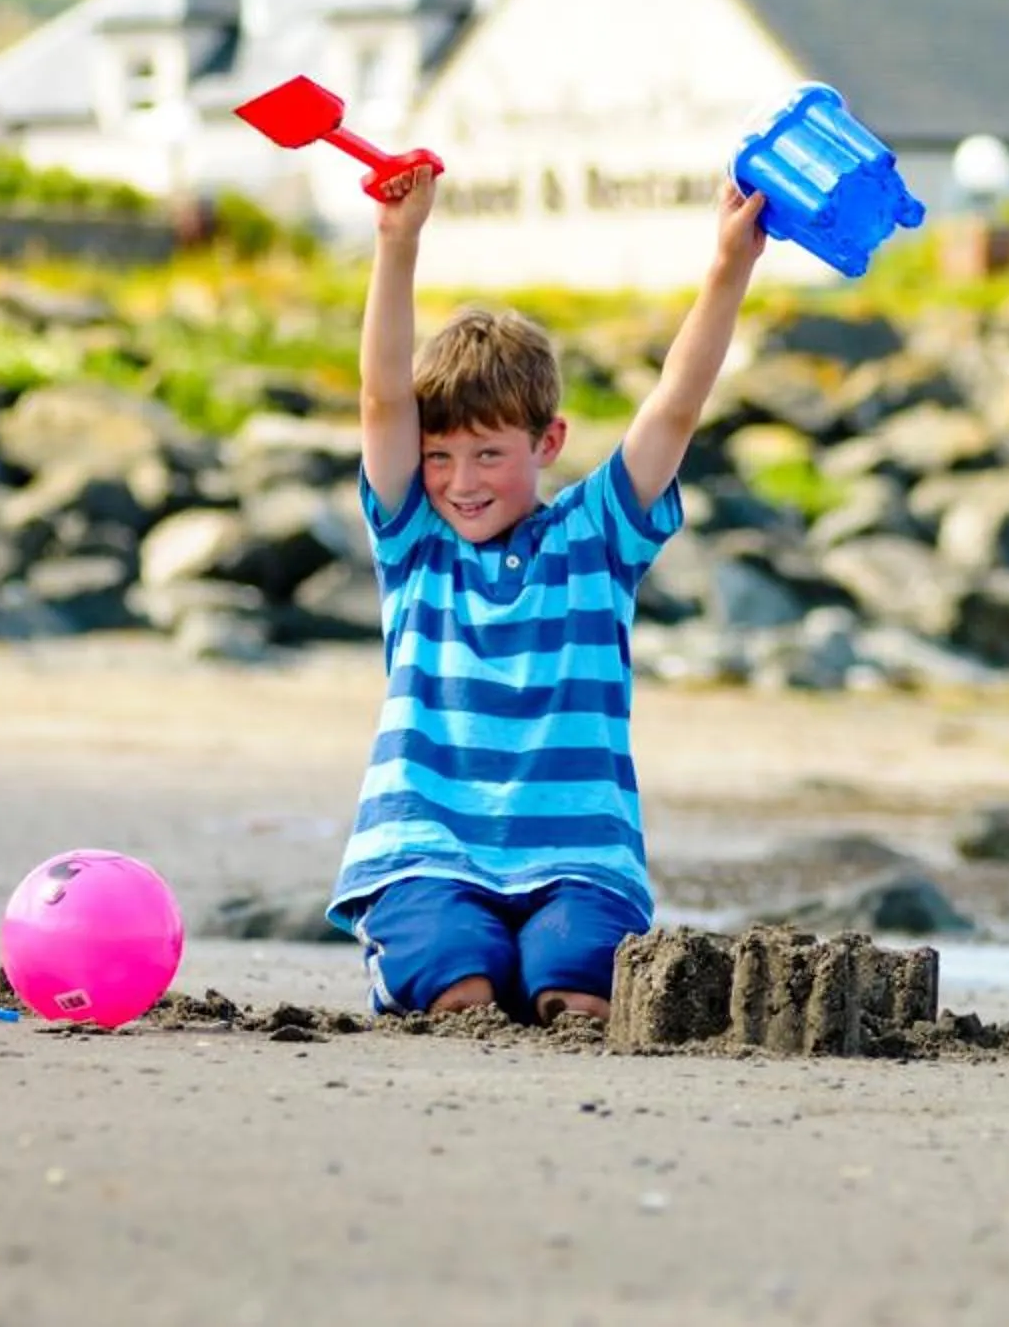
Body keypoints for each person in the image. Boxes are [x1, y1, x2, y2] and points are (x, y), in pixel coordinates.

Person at [325, 164, 768, 1023]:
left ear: (549, 441)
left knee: (573, 991)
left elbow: (674, 410)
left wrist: (728, 267)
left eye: (489, 453)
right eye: (440, 454)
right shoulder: (414, 541)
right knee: (464, 986)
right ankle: (424, 965)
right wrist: (396, 240)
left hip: (579, 859)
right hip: (427, 853)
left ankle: (554, 969)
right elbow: (383, 400)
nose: (460, 481)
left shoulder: (595, 537)